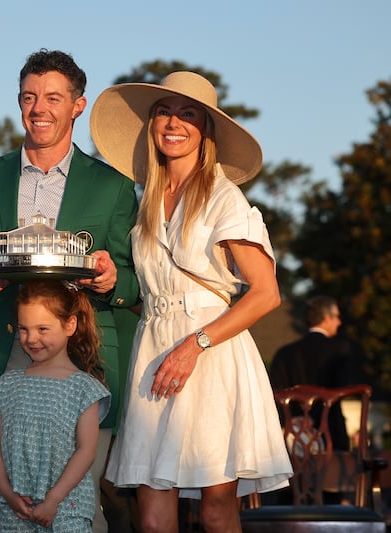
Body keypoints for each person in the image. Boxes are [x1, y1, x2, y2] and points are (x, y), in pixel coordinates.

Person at [0, 48, 139, 533]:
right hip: (0, 355)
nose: (39, 109)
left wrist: (114, 279)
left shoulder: (112, 187)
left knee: (76, 509)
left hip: (83, 359)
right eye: (29, 97)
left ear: (78, 105)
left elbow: (137, 279)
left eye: (53, 97)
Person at [91, 71, 293, 532]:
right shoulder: (145, 201)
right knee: (151, 503)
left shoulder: (225, 198)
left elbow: (266, 292)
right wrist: (112, 278)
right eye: (164, 111)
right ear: (151, 125)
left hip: (211, 353)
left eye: (188, 114)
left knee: (216, 505)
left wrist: (195, 345)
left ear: (206, 130)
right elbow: (149, 293)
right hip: (152, 350)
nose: (173, 122)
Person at [0, 280, 111, 532]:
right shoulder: (8, 384)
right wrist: (8, 494)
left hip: (66, 509)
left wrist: (53, 499)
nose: (32, 339)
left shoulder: (84, 388)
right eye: (24, 329)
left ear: (70, 324)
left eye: (43, 328)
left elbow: (86, 451)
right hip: (17, 509)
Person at [270, 295, 352, 450]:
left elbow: (275, 393)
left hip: (292, 439)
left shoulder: (284, 354)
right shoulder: (339, 349)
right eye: (337, 317)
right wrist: (313, 419)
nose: (339, 322)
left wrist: (293, 420)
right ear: (327, 318)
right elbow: (338, 390)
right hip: (331, 436)